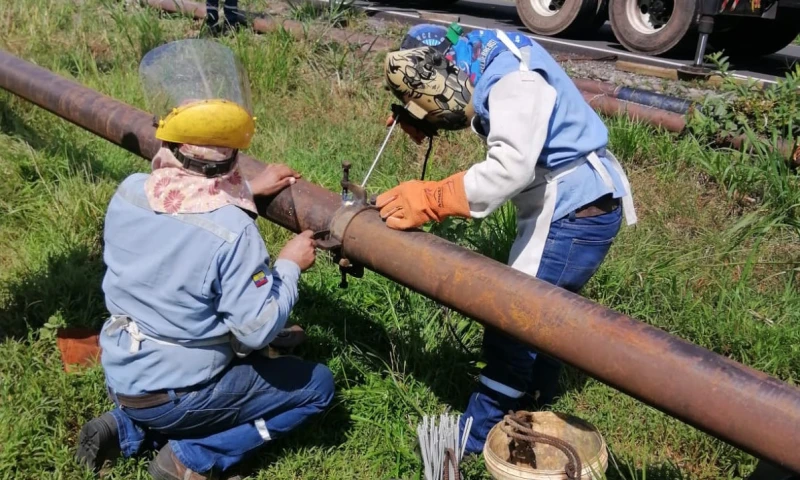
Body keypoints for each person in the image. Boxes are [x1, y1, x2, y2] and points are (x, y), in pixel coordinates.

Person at [75, 39, 334, 480]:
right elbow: (255, 330)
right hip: (179, 395)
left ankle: (125, 428)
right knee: (317, 386)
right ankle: (193, 457)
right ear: (232, 160)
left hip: (122, 373)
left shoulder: (131, 192)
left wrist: (250, 191)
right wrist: (290, 264)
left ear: (171, 144)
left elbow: (187, 215)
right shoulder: (234, 232)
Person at [376, 24, 637, 454]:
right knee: (548, 315)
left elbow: (510, 167)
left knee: (513, 318)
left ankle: (475, 437)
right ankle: (539, 403)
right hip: (578, 203)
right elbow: (486, 110)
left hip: (571, 211)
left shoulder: (514, 80)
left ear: (445, 65)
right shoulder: (484, 51)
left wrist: (434, 197)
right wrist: (424, 113)